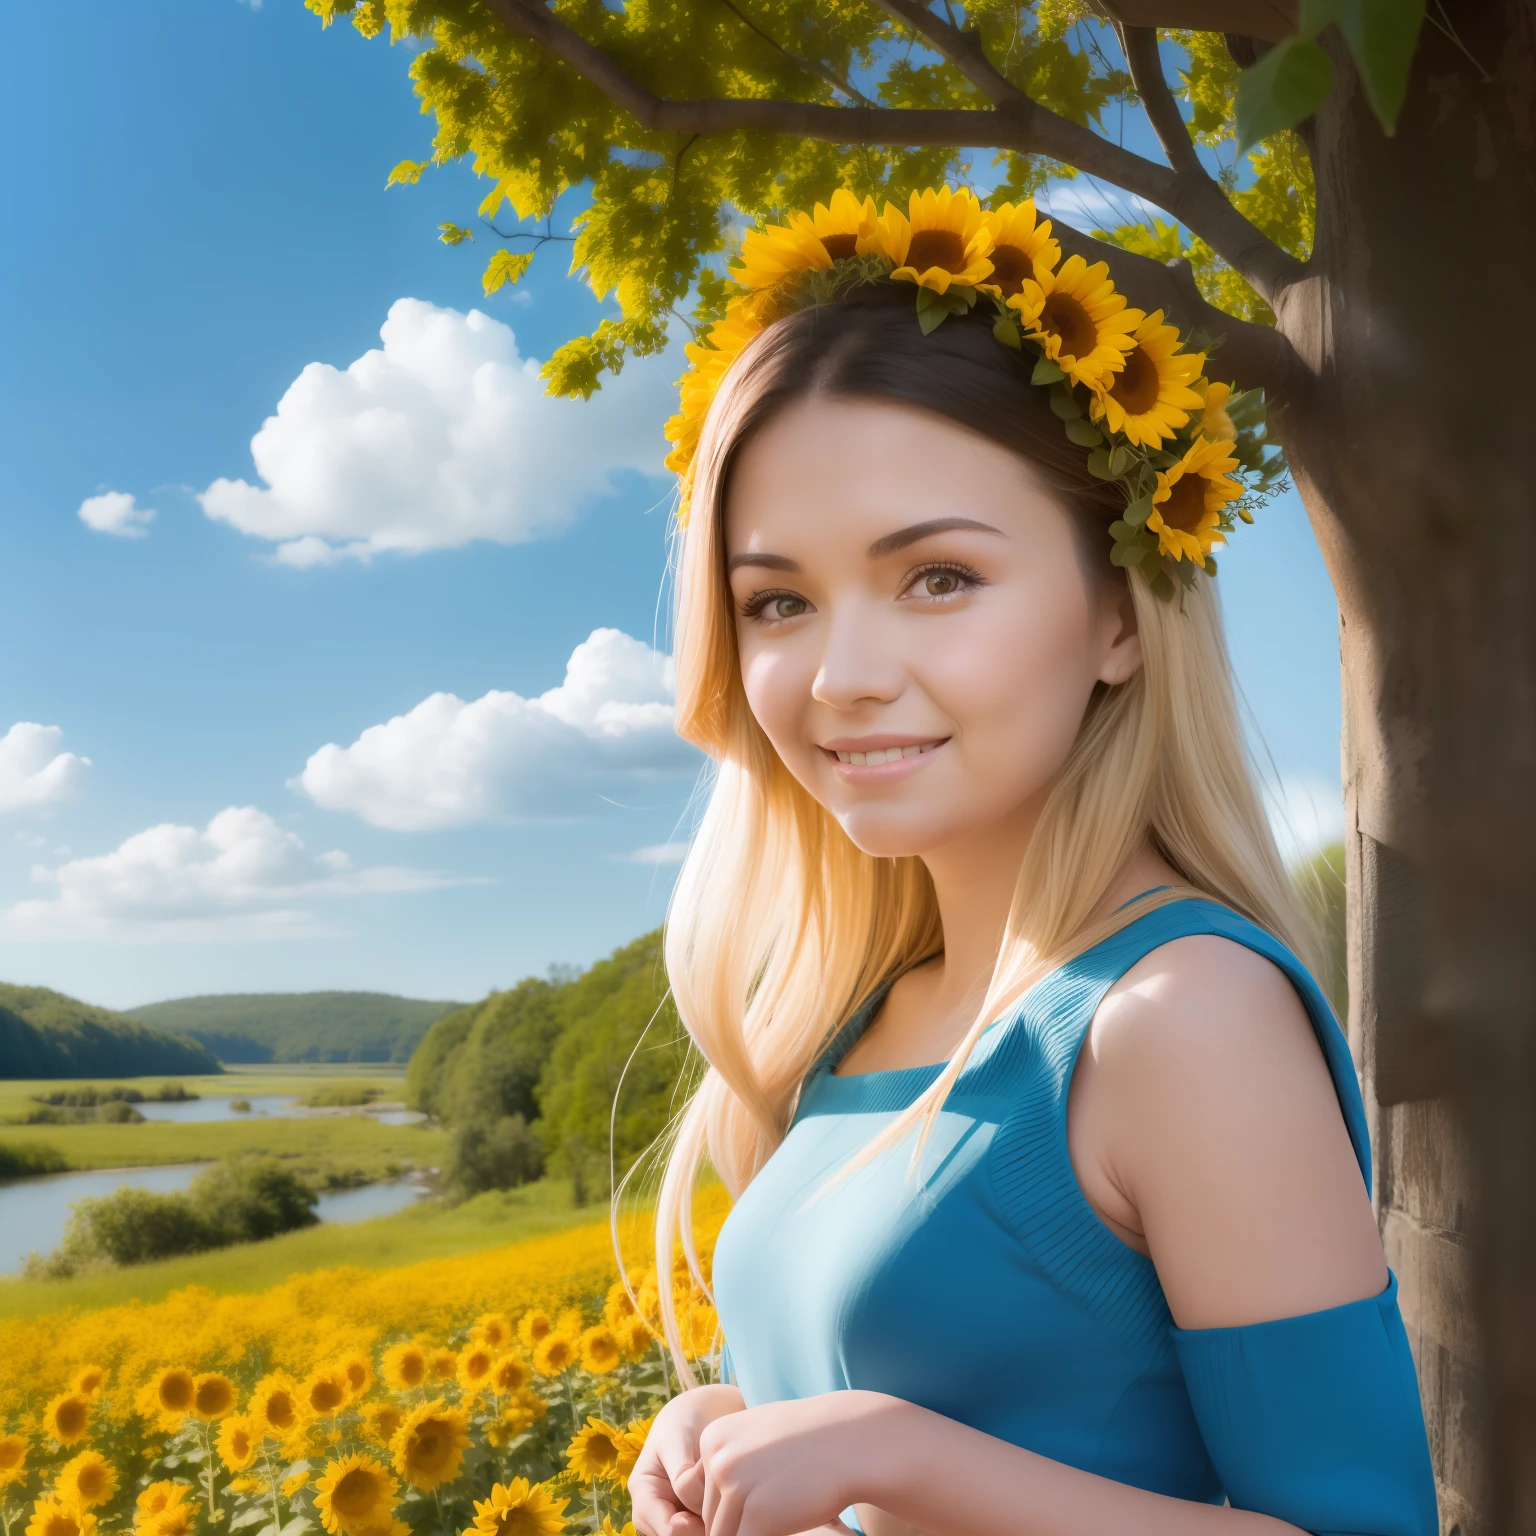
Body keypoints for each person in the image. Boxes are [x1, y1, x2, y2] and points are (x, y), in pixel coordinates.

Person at [626, 186, 1437, 1536]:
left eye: (938, 576)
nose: (841, 677)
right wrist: (725, 1425)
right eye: (779, 601)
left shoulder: (1180, 1020)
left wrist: (904, 1457)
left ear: (1120, 616)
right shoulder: (868, 1015)